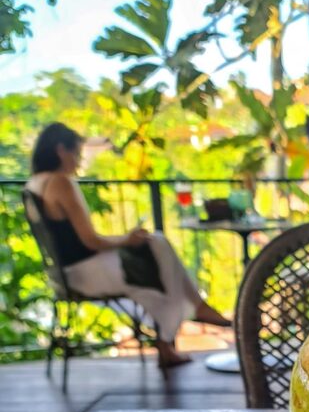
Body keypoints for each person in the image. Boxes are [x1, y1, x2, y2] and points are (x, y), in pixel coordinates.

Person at [26, 122, 230, 368]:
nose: (79, 161)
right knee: (158, 249)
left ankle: (183, 322)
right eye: (77, 154)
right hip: (86, 274)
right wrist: (127, 239)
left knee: (157, 249)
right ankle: (182, 323)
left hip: (64, 275)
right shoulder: (61, 183)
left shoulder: (34, 184)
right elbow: (91, 240)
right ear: (61, 150)